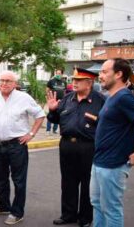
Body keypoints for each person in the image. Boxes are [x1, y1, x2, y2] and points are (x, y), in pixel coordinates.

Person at [0, 71, 45, 225]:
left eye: (8, 81)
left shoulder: (24, 98)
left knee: (19, 180)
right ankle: (3, 205)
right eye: (2, 80)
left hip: (17, 145)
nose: (4, 83)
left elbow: (40, 114)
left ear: (15, 84)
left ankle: (17, 212)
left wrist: (31, 133)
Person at [91, 58, 134, 227]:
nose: (100, 76)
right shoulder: (111, 97)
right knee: (97, 204)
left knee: (111, 209)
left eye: (105, 72)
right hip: (99, 161)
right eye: (100, 72)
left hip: (113, 165)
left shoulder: (124, 97)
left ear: (119, 74)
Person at [47, 68, 105, 227]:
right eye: (73, 80)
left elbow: (107, 125)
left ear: (89, 83)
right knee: (67, 182)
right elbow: (55, 119)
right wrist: (52, 111)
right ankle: (68, 215)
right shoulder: (67, 99)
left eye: (78, 80)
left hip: (88, 146)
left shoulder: (101, 101)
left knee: (88, 183)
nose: (74, 83)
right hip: (66, 145)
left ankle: (85, 218)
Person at [46, 69, 67, 135]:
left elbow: (64, 91)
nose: (58, 74)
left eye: (59, 73)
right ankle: (48, 130)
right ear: (55, 74)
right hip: (53, 102)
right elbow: (47, 90)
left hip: (61, 102)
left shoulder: (64, 82)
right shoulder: (51, 81)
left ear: (62, 74)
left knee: (59, 115)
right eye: (57, 73)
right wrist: (48, 98)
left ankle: (55, 130)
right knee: (51, 114)